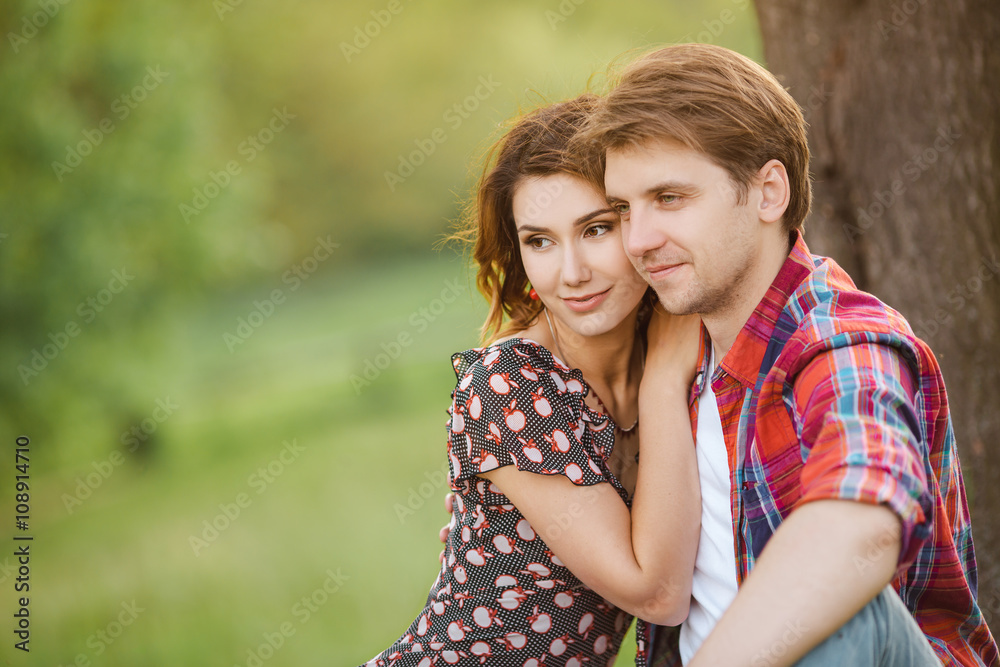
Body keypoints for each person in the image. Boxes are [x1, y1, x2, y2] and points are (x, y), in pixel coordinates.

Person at [572, 43, 1000, 666]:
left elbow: (863, 518)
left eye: (669, 198)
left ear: (768, 192)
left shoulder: (842, 341)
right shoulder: (673, 352)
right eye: (622, 209)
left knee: (853, 607)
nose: (638, 240)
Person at [360, 95, 702, 667]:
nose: (571, 273)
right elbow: (658, 593)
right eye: (539, 241)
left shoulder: (683, 342)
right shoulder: (510, 384)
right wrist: (664, 382)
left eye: (596, 229)